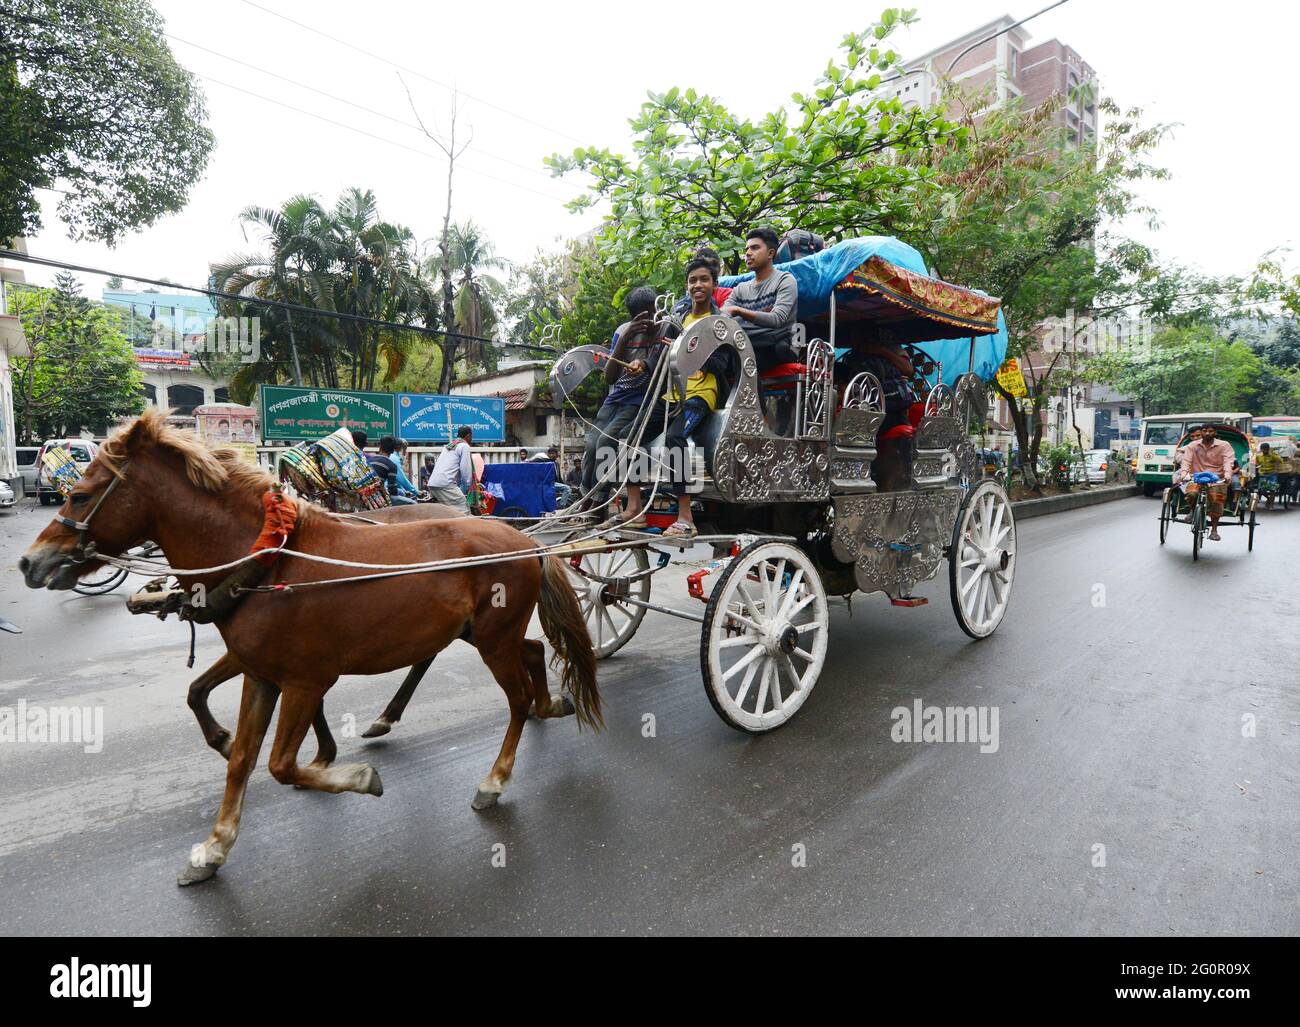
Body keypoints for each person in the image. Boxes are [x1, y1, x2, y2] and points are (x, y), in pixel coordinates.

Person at [608, 258, 727, 538]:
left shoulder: (719, 324)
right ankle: (634, 507)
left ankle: (686, 518)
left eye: (704, 279)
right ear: (687, 286)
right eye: (692, 280)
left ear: (714, 284)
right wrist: (644, 365)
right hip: (672, 393)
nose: (698, 285)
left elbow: (723, 364)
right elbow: (661, 354)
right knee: (629, 435)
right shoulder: (678, 321)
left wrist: (688, 351)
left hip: (701, 394)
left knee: (675, 439)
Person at [576, 285, 662, 513]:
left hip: (639, 401)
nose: (646, 322)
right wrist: (624, 338)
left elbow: (658, 367)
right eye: (640, 317)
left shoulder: (663, 330)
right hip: (615, 398)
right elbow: (609, 377)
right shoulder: (623, 331)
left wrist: (643, 365)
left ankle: (597, 504)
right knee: (592, 444)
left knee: (606, 443)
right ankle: (586, 499)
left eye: (650, 314)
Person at [722, 227, 799, 369]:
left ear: (770, 253)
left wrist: (739, 311)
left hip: (778, 346)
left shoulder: (785, 280)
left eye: (755, 248)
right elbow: (724, 316)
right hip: (745, 343)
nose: (748, 253)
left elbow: (777, 319)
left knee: (739, 360)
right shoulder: (740, 289)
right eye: (746, 250)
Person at [1173, 425, 1235, 541]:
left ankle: (1214, 530)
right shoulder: (1192, 446)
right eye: (1204, 431)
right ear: (1201, 432)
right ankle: (1193, 509)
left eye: (1210, 431)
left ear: (1215, 432)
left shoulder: (1224, 445)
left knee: (1217, 500)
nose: (1207, 434)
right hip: (1196, 477)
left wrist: (1227, 475)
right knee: (1191, 494)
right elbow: (1186, 461)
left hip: (1217, 478)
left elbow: (1228, 462)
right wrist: (1184, 475)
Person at [425, 426, 476, 511]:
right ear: (468, 436)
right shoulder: (464, 446)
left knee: (448, 512)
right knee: (464, 510)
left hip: (432, 483)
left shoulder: (449, 446)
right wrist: (468, 487)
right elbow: (465, 471)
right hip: (445, 484)